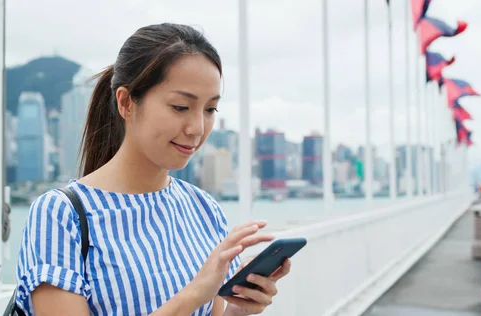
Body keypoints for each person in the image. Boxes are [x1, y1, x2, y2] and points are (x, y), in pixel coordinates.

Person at [15, 23, 292, 316]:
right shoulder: (61, 215)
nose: (197, 128)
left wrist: (238, 308)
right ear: (126, 103)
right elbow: (195, 296)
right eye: (180, 107)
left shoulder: (204, 210)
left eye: (210, 110)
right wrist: (195, 294)